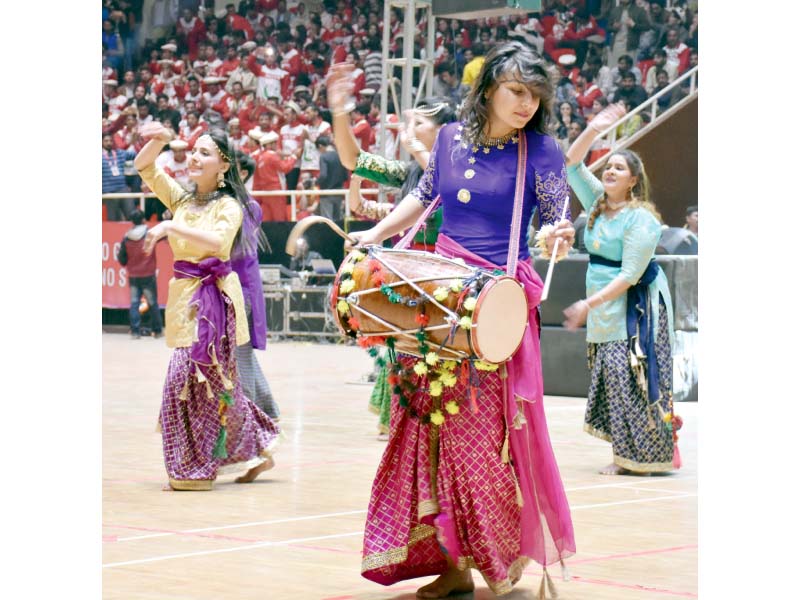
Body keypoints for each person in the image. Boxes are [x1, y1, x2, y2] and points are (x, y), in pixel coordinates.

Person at [344, 41, 576, 597]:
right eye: (517, 91)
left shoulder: (540, 151)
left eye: (534, 95)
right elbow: (425, 196)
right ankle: (452, 564)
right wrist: (375, 235)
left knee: (480, 438)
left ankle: (496, 558)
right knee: (428, 433)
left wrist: (559, 235)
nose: (526, 103)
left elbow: (557, 217)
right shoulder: (449, 139)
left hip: (492, 305)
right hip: (438, 297)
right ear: (490, 86)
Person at [133, 121, 280, 491]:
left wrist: (171, 229)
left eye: (204, 152)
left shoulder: (230, 204)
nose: (194, 157)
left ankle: (192, 466)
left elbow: (217, 241)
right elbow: (144, 167)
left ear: (224, 164)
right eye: (193, 150)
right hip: (186, 298)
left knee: (184, 381)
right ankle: (257, 447)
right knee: (213, 386)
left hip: (216, 302)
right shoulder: (182, 199)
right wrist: (161, 140)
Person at [331, 69, 459, 439]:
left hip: (442, 281)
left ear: (443, 132)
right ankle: (406, 432)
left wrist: (420, 151)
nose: (409, 129)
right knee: (402, 357)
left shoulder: (463, 173)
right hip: (404, 279)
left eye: (419, 122)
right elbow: (353, 159)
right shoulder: (407, 172)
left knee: (436, 364)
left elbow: (443, 184)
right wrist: (340, 112)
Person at [562, 103, 681, 476]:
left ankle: (645, 456)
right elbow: (572, 163)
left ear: (633, 180)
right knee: (612, 377)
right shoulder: (598, 202)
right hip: (602, 299)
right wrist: (593, 129)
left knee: (632, 374)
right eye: (608, 165)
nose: (610, 170)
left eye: (619, 167)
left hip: (636, 304)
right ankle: (625, 455)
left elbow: (630, 274)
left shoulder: (641, 219)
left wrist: (587, 304)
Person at [231, 151, 281, 420]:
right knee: (240, 352)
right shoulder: (224, 205)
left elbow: (238, 249)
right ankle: (267, 409)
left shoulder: (248, 207)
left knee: (240, 352)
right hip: (225, 286)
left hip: (240, 290)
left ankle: (248, 414)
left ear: (242, 173)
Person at [117, 209, 164, 339]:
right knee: (153, 303)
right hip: (148, 274)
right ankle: (158, 330)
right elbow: (164, 235)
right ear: (143, 219)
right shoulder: (149, 234)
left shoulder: (126, 238)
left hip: (133, 275)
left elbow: (122, 259)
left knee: (134, 303)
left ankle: (135, 332)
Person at [102, 133, 136, 221]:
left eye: (110, 141)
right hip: (108, 192)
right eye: (106, 141)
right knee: (113, 220)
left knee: (132, 215)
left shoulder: (119, 153)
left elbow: (135, 155)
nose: (109, 143)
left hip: (123, 189)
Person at [314, 136, 349, 221]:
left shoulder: (324, 157)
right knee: (337, 219)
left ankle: (328, 234)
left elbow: (323, 175)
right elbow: (346, 176)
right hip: (339, 192)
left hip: (326, 192)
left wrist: (316, 182)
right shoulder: (340, 156)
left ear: (320, 146)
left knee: (327, 220)